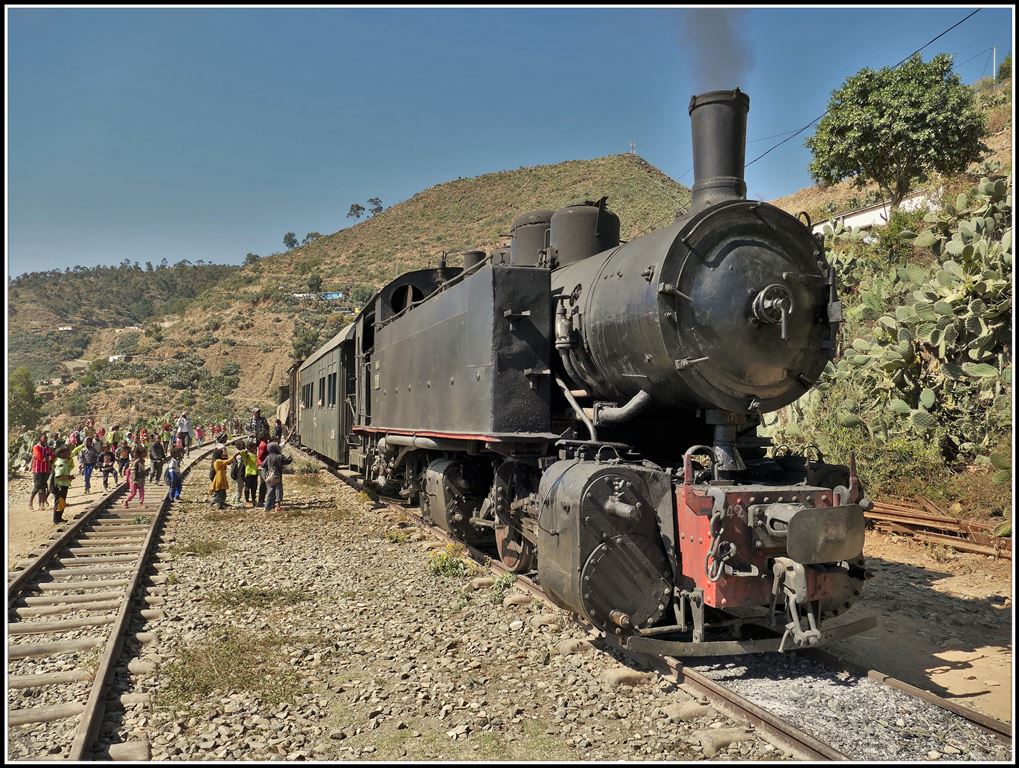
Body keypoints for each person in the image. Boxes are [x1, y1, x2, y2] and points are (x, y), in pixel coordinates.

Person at [261, 441, 293, 512]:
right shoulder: (280, 456)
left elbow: (262, 465)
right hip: (278, 477)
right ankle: (278, 506)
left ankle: (267, 507)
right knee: (278, 491)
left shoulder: (268, 457)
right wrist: (290, 457)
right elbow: (287, 461)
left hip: (270, 477)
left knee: (270, 492)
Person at [28, 434, 54, 510]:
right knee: (37, 487)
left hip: (46, 470)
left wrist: (48, 457)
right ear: (40, 439)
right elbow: (39, 456)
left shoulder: (48, 448)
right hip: (37, 470)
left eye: (46, 438)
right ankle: (30, 501)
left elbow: (52, 455)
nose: (45, 440)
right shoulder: (36, 447)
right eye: (44, 439)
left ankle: (41, 504)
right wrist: (47, 457)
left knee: (43, 487)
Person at [51, 444, 74, 523]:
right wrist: (68, 477)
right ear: (62, 454)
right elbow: (58, 476)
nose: (69, 454)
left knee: (61, 503)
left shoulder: (64, 462)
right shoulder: (61, 463)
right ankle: (56, 519)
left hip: (63, 485)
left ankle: (59, 518)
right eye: (68, 452)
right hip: (60, 486)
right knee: (59, 503)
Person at [242, 439, 259, 507]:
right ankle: (247, 500)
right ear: (250, 448)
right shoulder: (247, 456)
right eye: (254, 447)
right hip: (249, 474)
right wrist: (247, 450)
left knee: (254, 487)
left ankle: (253, 499)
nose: (255, 448)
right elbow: (241, 452)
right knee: (247, 487)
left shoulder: (254, 455)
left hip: (255, 474)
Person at [256, 431, 270, 506]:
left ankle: (262, 500)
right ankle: (261, 501)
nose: (269, 436)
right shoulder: (263, 445)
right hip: (262, 466)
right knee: (264, 483)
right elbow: (261, 456)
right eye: (267, 435)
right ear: (264, 436)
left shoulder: (263, 443)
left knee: (264, 483)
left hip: (262, 465)